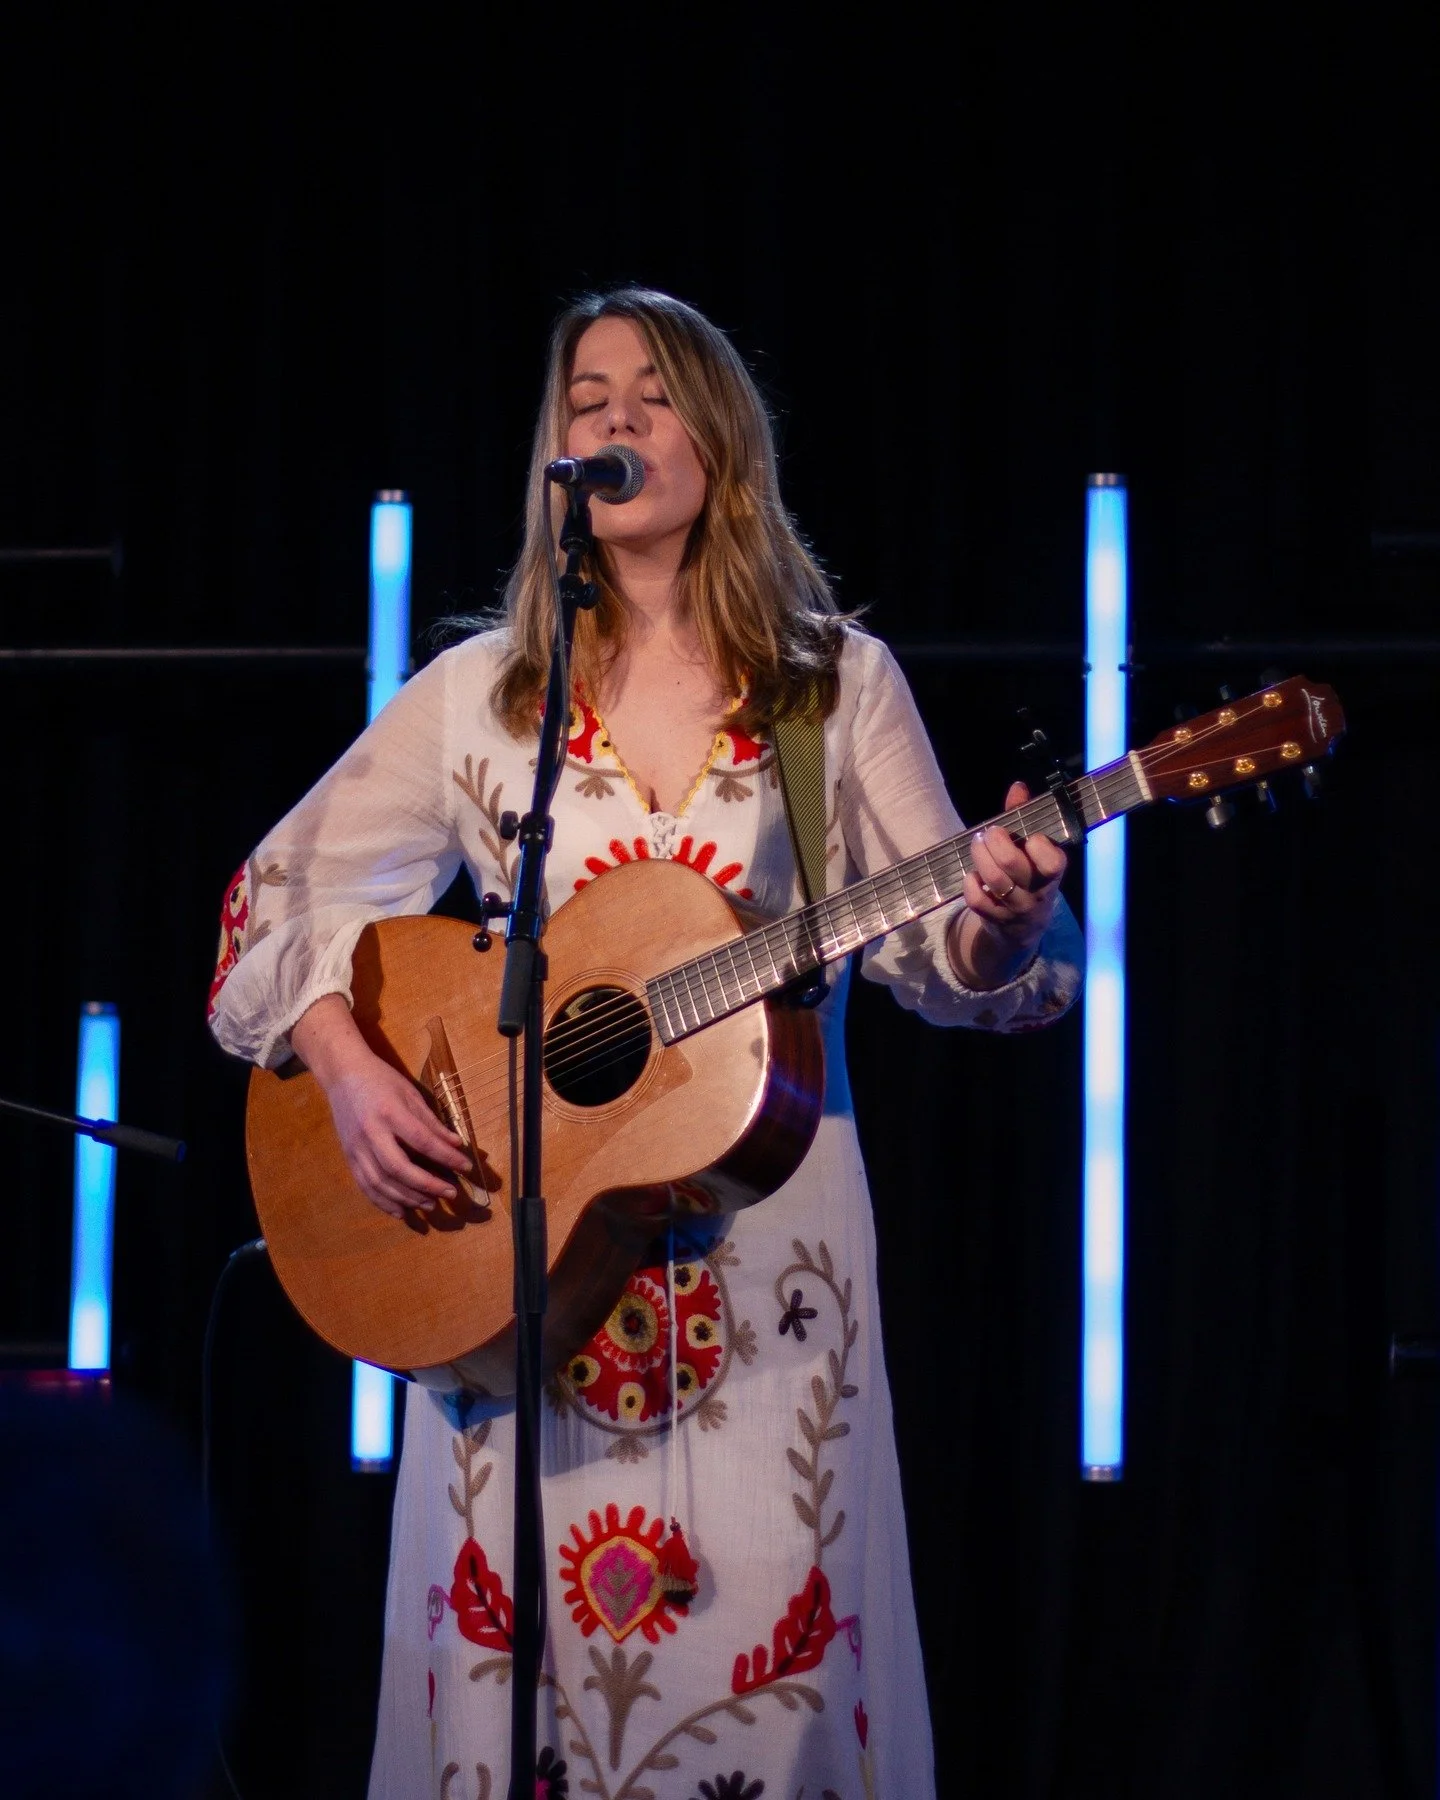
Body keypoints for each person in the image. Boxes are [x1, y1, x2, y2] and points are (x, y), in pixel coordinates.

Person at [208, 287, 1083, 1800]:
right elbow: (271, 906)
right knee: (512, 1710)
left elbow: (950, 957)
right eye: (586, 397)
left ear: (722, 437)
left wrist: (1000, 919)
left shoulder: (828, 686)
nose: (613, 420)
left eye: (653, 393)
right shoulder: (483, 697)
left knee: (774, 1695)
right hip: (512, 1256)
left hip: (768, 1279)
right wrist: (349, 1072)